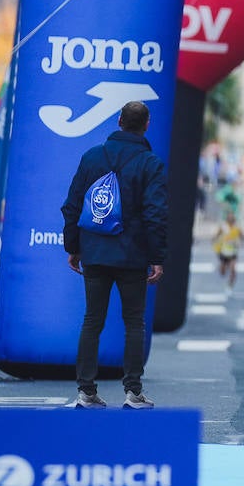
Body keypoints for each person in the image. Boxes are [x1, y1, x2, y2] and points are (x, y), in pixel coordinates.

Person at [60, 100, 168, 409]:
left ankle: (86, 391)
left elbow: (72, 205)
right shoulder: (151, 163)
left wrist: (74, 247)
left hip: (94, 251)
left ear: (119, 120)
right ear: (146, 125)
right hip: (132, 255)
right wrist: (156, 257)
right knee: (134, 321)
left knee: (92, 320)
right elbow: (155, 214)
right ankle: (133, 392)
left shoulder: (92, 157)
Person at [213, 210, 244, 293]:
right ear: (227, 218)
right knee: (222, 272)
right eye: (229, 217)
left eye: (232, 217)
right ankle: (223, 267)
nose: (230, 219)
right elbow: (216, 236)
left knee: (233, 269)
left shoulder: (237, 228)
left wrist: (240, 243)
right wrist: (215, 242)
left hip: (233, 252)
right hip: (224, 252)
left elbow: (242, 237)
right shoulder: (223, 227)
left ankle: (230, 286)